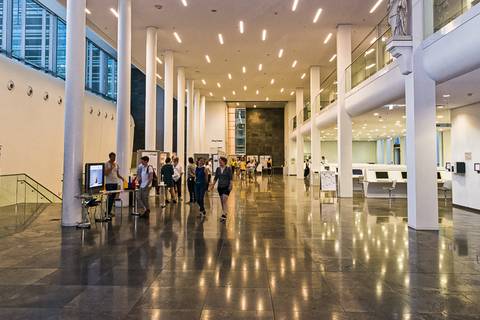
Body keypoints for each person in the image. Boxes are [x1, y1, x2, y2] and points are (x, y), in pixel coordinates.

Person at [210, 156, 233, 222]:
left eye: (221, 161)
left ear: (224, 162)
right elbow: (215, 178)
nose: (220, 162)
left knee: (224, 200)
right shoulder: (218, 169)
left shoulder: (228, 169)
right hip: (220, 187)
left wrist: (231, 185)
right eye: (219, 161)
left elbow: (231, 178)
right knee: (222, 201)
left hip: (226, 187)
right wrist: (212, 186)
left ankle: (224, 215)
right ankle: (224, 211)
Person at [104, 152, 125, 218]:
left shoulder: (116, 164)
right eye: (113, 157)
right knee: (109, 198)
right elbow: (105, 174)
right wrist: (111, 168)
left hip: (115, 183)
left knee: (112, 198)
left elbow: (117, 174)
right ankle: (107, 212)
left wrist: (122, 178)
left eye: (115, 157)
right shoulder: (106, 164)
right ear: (110, 157)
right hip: (109, 183)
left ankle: (109, 212)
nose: (114, 158)